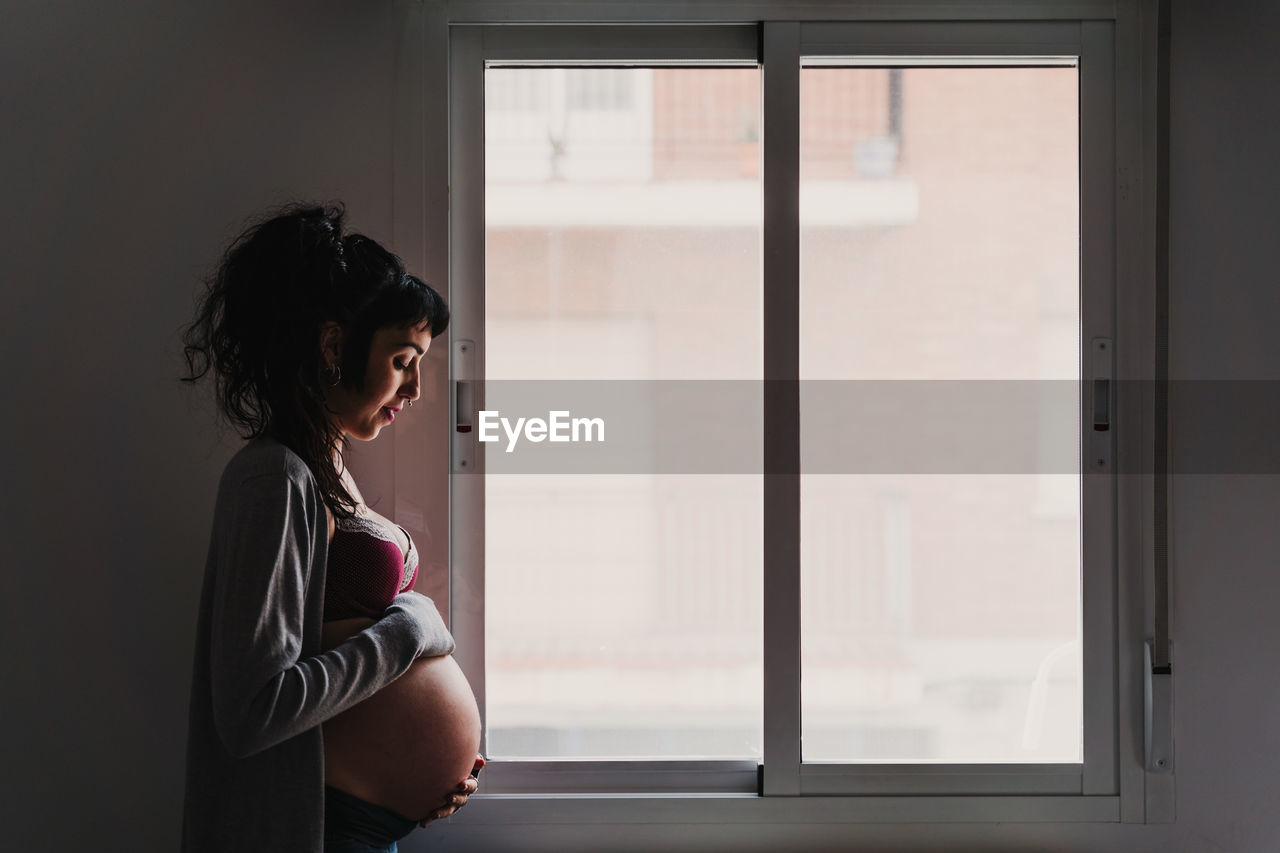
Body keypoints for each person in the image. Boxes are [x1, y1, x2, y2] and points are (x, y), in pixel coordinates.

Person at [181, 203, 482, 853]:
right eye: (404, 360)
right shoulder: (274, 478)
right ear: (332, 345)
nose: (416, 389)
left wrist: (430, 773)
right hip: (315, 827)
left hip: (361, 825)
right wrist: (408, 634)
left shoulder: (328, 470)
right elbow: (251, 709)